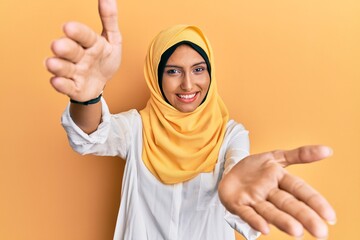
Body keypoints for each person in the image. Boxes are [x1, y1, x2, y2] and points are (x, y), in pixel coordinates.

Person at [45, 0, 336, 239]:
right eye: (173, 71)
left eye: (198, 70)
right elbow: (91, 135)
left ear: (211, 73)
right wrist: (88, 97)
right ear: (156, 77)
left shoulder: (230, 135)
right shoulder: (137, 128)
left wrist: (241, 188)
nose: (188, 84)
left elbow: (237, 170)